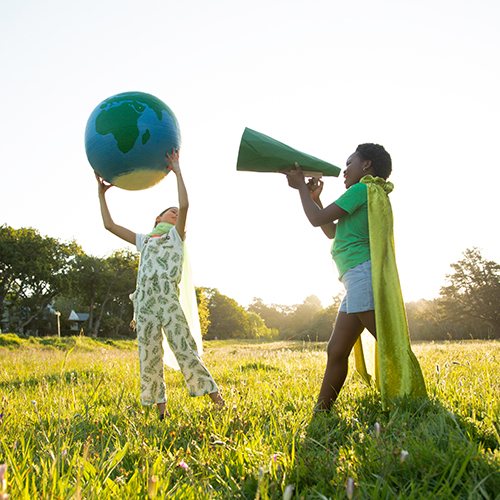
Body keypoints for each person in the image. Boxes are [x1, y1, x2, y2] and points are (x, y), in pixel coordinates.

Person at [281, 143, 426, 412]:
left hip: (361, 275)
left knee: (391, 343)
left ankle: (417, 402)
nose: (344, 170)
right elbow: (331, 231)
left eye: (349, 163)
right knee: (336, 350)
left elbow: (316, 221)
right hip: (355, 279)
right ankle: (321, 413)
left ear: (366, 165)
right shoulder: (368, 192)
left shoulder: (362, 189)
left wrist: (301, 186)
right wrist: (315, 198)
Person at [96, 149, 224, 419]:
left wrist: (177, 171)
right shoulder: (145, 240)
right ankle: (161, 412)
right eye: (170, 212)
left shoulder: (176, 238)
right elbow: (109, 225)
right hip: (143, 305)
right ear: (157, 218)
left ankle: (217, 399)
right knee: (149, 356)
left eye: (177, 213)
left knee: (183, 348)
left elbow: (186, 205)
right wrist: (101, 194)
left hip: (167, 301)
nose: (176, 213)